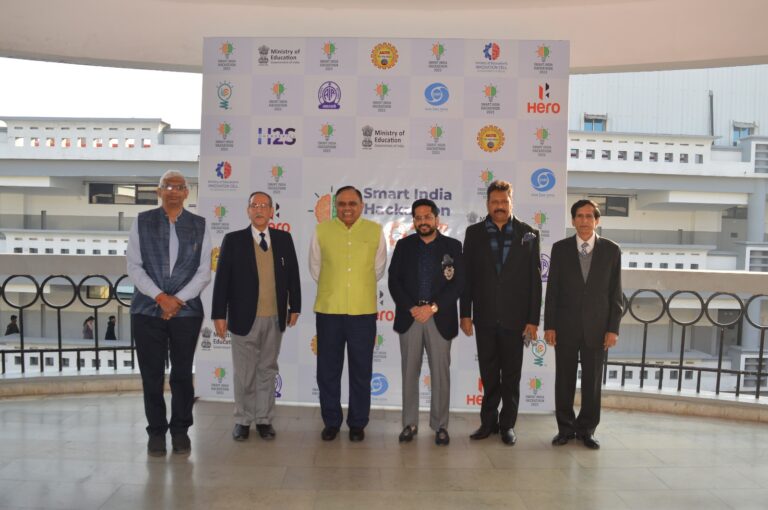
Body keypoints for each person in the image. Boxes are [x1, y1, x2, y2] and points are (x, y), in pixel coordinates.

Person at [126, 169, 211, 456]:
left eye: (179, 186)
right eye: (167, 186)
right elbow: (134, 267)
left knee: (182, 374)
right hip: (147, 310)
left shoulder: (199, 225)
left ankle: (180, 431)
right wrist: (161, 297)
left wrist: (177, 301)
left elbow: (203, 272)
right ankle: (156, 433)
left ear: (187, 192)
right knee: (151, 375)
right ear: (159, 191)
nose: (173, 191)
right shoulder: (142, 221)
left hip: (186, 312)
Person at [212, 191, 301, 442]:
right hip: (242, 318)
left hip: (275, 317)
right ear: (248, 210)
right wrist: (219, 313)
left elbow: (292, 275)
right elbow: (222, 281)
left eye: (264, 205)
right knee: (244, 373)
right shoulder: (233, 240)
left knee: (267, 370)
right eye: (254, 205)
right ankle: (242, 419)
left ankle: (263, 419)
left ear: (272, 211)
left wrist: (295, 306)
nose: (259, 209)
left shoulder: (284, 239)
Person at [460, 180, 542, 446]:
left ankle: (507, 425)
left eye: (504, 202)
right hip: (484, 318)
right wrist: (466, 314)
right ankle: (487, 423)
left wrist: (532, 320)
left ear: (511, 202)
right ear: (487, 204)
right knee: (489, 373)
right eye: (494, 202)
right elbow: (466, 278)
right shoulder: (473, 234)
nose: (499, 207)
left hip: (515, 320)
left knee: (512, 376)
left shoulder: (528, 233)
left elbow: (534, 281)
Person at [309, 185, 386, 442]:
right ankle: (331, 421)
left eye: (352, 203)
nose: (347, 208)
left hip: (363, 312)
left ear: (361, 206)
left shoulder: (375, 231)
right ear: (335, 207)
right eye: (341, 204)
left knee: (361, 370)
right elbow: (315, 267)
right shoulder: (322, 230)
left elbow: (378, 269)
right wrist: (337, 287)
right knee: (328, 370)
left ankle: (357, 423)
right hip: (329, 311)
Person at [545, 199, 622, 450]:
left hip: (598, 329)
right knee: (564, 380)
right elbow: (553, 291)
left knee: (592, 383)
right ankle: (565, 429)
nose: (584, 221)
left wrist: (613, 329)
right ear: (573, 220)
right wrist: (550, 325)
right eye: (579, 216)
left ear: (597, 221)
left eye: (589, 216)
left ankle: (587, 430)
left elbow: (615, 294)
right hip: (565, 328)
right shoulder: (560, 248)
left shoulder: (612, 250)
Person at [388, 199, 464, 446]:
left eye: (427, 217)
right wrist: (413, 308)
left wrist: (431, 308)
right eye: (418, 218)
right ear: (414, 221)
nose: (423, 221)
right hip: (410, 317)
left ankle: (440, 425)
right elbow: (394, 281)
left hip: (439, 317)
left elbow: (458, 284)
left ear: (436, 219)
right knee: (409, 372)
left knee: (440, 374)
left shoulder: (452, 246)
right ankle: (409, 423)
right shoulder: (403, 246)